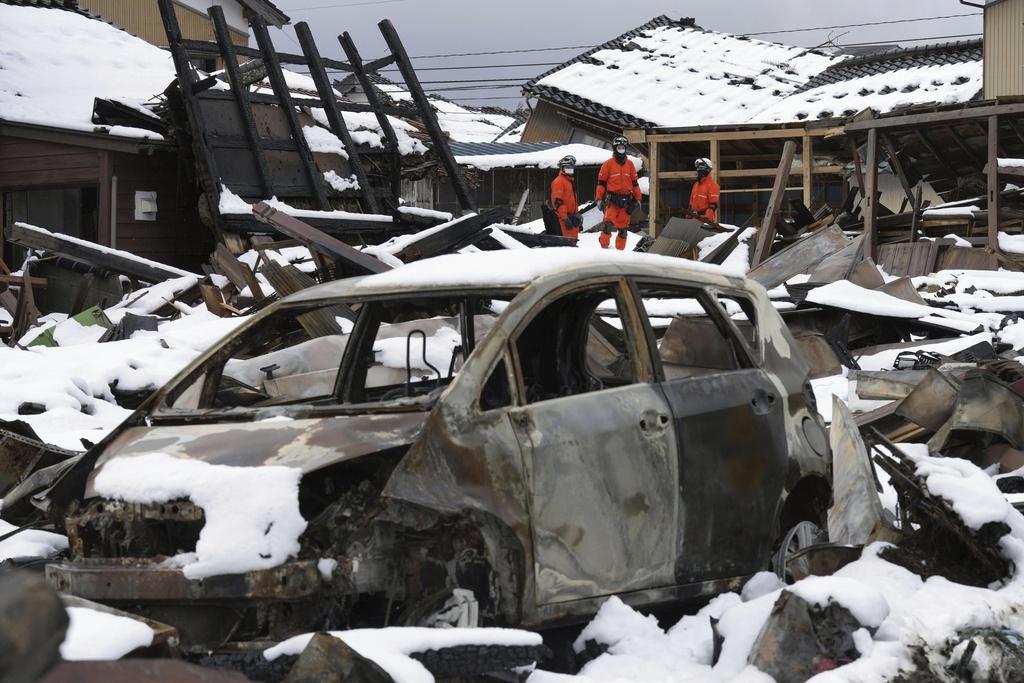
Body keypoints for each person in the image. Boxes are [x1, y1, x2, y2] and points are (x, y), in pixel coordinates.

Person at [596, 135, 642, 250]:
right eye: (619, 147)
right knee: (607, 225)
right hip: (612, 201)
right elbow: (601, 184)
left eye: (623, 147)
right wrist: (599, 199)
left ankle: (620, 254)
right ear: (615, 148)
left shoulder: (630, 164)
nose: (621, 149)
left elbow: (635, 184)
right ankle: (604, 248)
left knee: (623, 231)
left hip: (626, 202)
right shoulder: (608, 164)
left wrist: (638, 199)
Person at [550, 155, 582, 239]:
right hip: (564, 220)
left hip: (572, 218)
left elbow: (572, 201)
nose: (570, 169)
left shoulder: (569, 182)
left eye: (571, 167)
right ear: (562, 168)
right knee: (566, 245)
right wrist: (565, 218)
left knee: (573, 243)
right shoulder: (559, 182)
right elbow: (557, 202)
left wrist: (577, 214)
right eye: (567, 167)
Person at [689, 157, 720, 223]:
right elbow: (691, 202)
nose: (698, 170)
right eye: (698, 168)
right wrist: (689, 214)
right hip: (693, 218)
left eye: (701, 168)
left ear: (708, 169)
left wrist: (708, 219)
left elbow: (713, 205)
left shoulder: (713, 185)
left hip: (705, 219)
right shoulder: (696, 184)